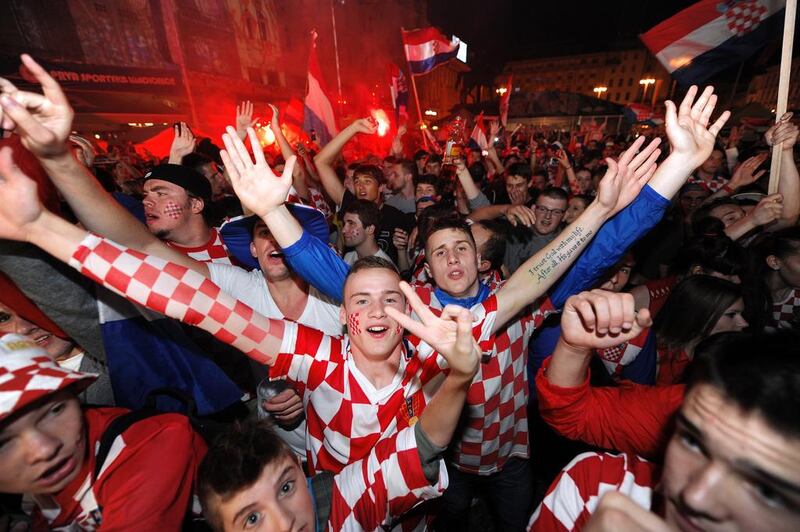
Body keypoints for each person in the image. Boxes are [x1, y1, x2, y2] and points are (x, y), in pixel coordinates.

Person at [197, 282, 482, 531]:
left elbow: (419, 450)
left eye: (286, 488)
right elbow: (241, 324)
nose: (284, 523)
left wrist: (459, 376)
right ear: (343, 315)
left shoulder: (426, 361)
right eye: (252, 518)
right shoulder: (322, 356)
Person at [529, 293, 800, 532]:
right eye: (693, 442)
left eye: (767, 491)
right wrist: (574, 349)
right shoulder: (595, 492)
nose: (696, 497)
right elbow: (573, 413)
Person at [0, 334, 207, 530]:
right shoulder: (30, 496)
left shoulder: (152, 440)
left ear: (74, 396)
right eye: (3, 443)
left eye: (55, 410)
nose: (44, 449)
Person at [340, 199, 395, 265]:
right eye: (344, 223)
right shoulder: (348, 257)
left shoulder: (383, 267)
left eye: (351, 224)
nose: (343, 230)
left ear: (370, 229)